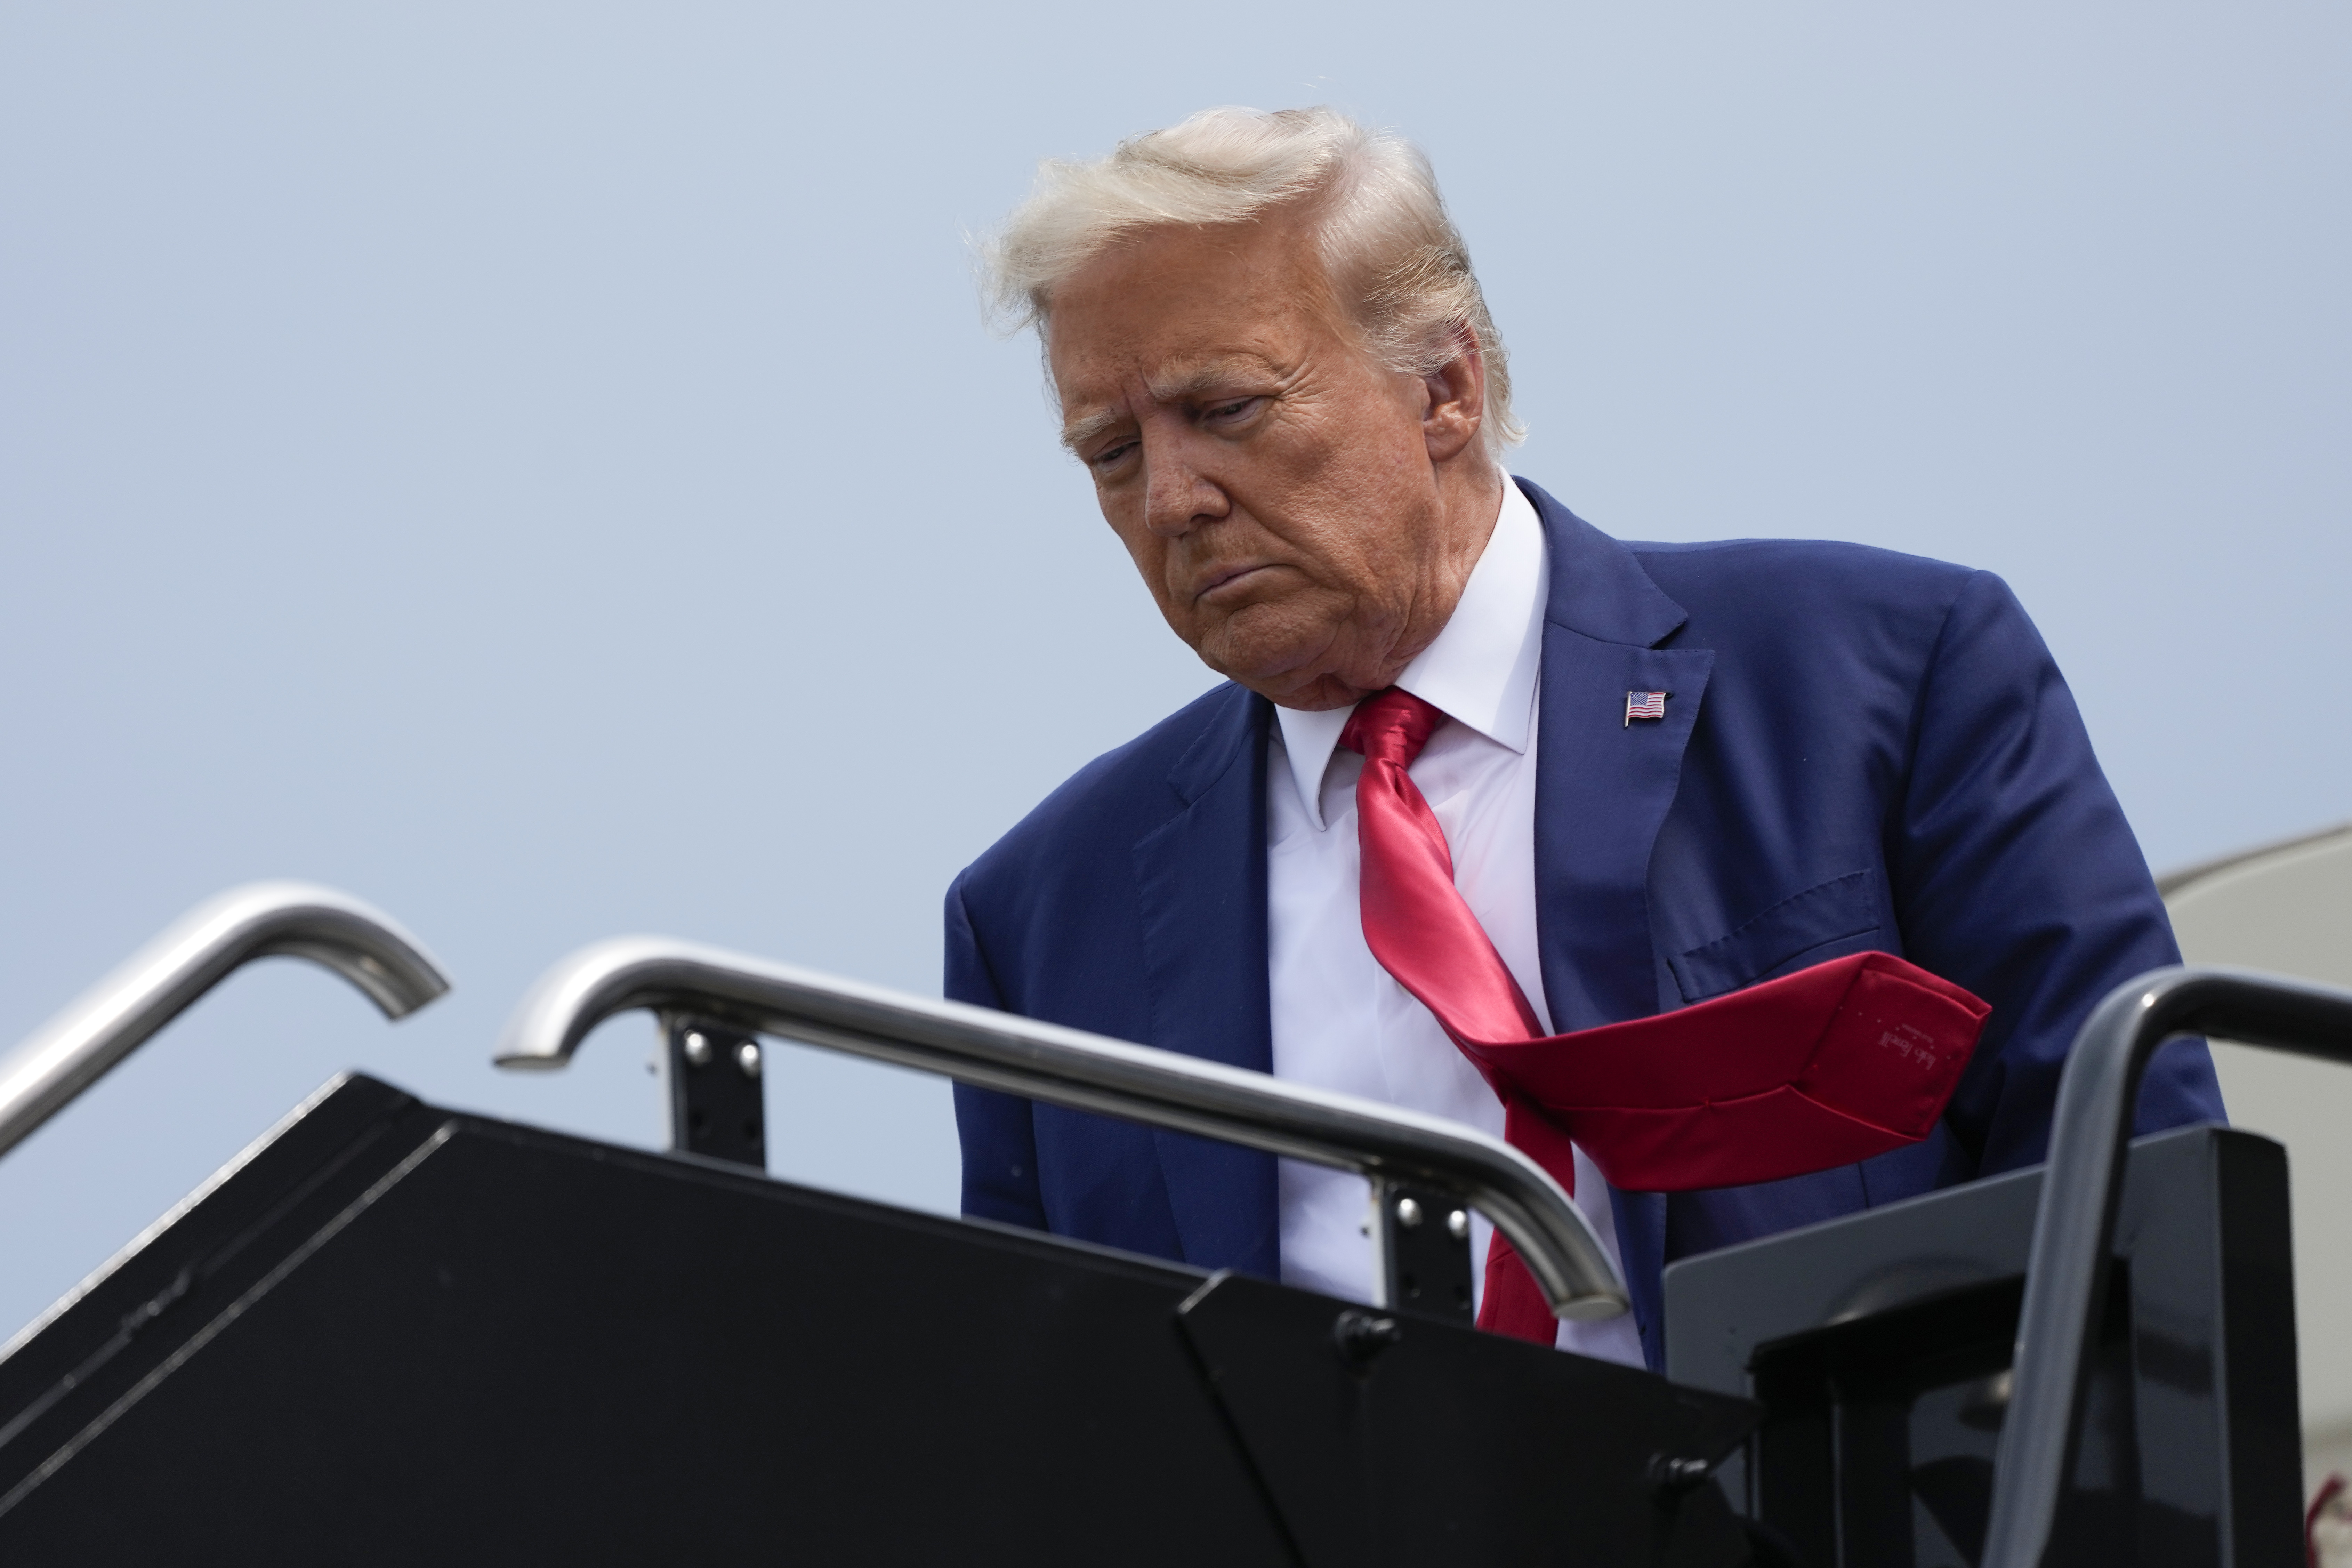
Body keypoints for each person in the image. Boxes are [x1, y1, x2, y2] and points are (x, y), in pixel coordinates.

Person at [945, 105, 2221, 1370]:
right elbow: (1045, 1416)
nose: (1171, 500)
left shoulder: (1878, 673)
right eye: (1110, 453)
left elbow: (2138, 1190)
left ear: (1445, 387)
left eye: (1223, 408)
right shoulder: (1042, 917)